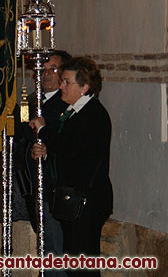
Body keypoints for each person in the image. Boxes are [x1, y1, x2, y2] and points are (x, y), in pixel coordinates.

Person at [31, 57, 113, 277]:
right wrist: (47, 152)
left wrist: (43, 130)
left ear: (84, 87)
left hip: (86, 200)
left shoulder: (92, 114)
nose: (61, 86)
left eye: (67, 82)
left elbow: (70, 147)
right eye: (62, 81)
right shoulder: (76, 112)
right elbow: (75, 151)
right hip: (74, 198)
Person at [14, 50, 71, 276]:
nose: (46, 74)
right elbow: (20, 128)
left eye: (53, 69)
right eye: (42, 70)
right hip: (31, 184)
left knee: (54, 246)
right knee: (44, 244)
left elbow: (43, 133)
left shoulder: (64, 104)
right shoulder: (33, 100)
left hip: (52, 186)